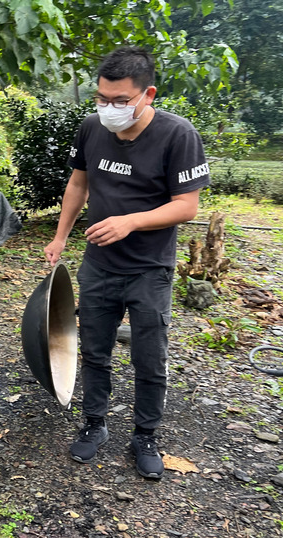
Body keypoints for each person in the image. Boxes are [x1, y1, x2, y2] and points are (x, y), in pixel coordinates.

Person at [43, 47, 211, 479]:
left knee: (150, 357)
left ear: (147, 94)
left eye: (120, 101)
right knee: (95, 350)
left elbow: (186, 206)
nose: (109, 109)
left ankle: (145, 435)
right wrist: (60, 237)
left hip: (149, 269)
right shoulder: (92, 128)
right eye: (102, 99)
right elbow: (78, 183)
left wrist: (130, 222)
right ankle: (94, 423)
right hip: (99, 265)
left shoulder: (178, 135)